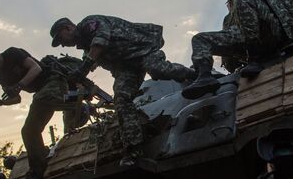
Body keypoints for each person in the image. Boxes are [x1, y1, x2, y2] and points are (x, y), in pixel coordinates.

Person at [49, 15, 196, 166]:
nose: (62, 45)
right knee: (121, 98)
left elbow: (100, 42)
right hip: (127, 68)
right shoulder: (86, 47)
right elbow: (91, 60)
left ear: (68, 28)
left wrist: (83, 70)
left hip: (143, 49)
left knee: (158, 69)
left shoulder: (88, 24)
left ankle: (195, 75)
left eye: (61, 39)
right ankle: (134, 149)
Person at [0, 43, 78, 179]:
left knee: (39, 101)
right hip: (42, 94)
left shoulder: (12, 53)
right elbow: (17, 99)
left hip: (54, 81)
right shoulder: (0, 76)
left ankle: (37, 170)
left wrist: (19, 85)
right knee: (29, 130)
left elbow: (36, 68)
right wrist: (0, 103)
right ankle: (41, 164)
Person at [182, 0, 246, 99]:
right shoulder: (229, 17)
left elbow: (230, 37)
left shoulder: (236, 13)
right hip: (238, 58)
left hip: (245, 44)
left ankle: (204, 76)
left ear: (230, 3)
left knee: (199, 39)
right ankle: (203, 73)